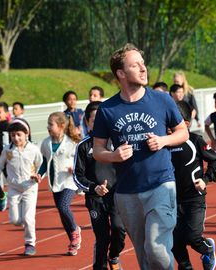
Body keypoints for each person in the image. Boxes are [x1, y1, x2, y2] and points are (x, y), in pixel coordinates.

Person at [92, 43, 189, 270]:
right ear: (121, 73)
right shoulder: (107, 110)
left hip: (160, 184)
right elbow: (97, 150)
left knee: (156, 249)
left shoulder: (162, 100)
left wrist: (163, 140)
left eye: (143, 64)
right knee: (144, 254)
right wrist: (114, 155)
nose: (144, 69)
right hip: (127, 192)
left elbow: (182, 132)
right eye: (136, 65)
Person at [73, 101, 126, 270]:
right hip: (95, 198)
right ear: (87, 122)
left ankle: (114, 256)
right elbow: (77, 176)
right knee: (102, 237)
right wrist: (94, 187)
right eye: (94, 119)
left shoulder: (118, 142)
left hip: (117, 196)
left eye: (101, 118)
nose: (98, 122)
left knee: (119, 230)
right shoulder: (83, 146)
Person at [171, 100, 216, 270]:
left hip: (194, 198)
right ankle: (185, 267)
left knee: (192, 237)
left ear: (185, 123)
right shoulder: (163, 143)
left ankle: (207, 249)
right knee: (175, 241)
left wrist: (205, 180)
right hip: (171, 200)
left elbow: (215, 161)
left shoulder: (196, 140)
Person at [38, 112, 82, 255]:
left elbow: (80, 161)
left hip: (69, 181)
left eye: (51, 124)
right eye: (48, 124)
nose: (48, 127)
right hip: (54, 182)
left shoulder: (71, 143)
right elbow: (45, 162)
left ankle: (75, 230)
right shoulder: (46, 143)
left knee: (64, 206)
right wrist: (40, 174)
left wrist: (75, 169)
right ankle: (73, 241)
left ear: (62, 126)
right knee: (62, 213)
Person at [0, 118, 43, 255]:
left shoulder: (33, 149)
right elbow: (0, 165)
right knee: (15, 220)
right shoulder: (7, 150)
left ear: (26, 134)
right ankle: (23, 221)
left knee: (29, 218)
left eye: (19, 134)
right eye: (13, 135)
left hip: (30, 188)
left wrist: (38, 175)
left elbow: (40, 165)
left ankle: (30, 244)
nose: (16, 138)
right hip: (13, 189)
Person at [0, 102, 10, 211]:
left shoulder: (8, 126)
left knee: (12, 180)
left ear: (6, 113)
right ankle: (2, 196)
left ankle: (22, 197)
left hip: (8, 159)